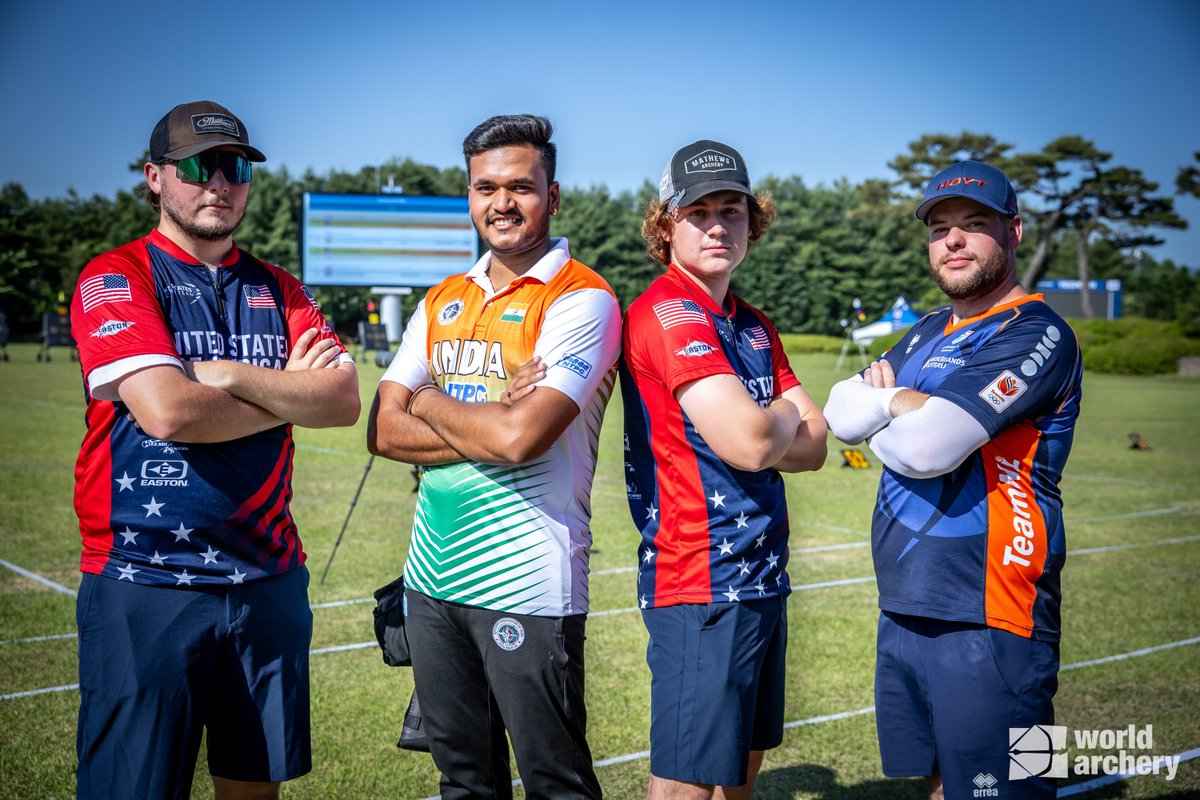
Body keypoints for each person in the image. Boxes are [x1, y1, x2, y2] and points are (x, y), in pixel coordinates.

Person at [69, 100, 360, 800]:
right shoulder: (117, 277)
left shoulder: (278, 287)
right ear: (155, 177)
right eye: (199, 166)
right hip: (146, 579)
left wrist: (225, 376)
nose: (218, 183)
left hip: (266, 580)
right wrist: (287, 392)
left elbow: (342, 402)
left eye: (233, 167)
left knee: (255, 788)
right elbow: (167, 412)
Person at [366, 114, 620, 800]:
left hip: (529, 586)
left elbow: (520, 440)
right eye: (485, 188)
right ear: (470, 194)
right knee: (464, 782)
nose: (501, 203)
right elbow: (379, 432)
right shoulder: (444, 297)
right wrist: (487, 414)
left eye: (520, 187)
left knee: (555, 783)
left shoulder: (584, 300)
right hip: (430, 581)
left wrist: (425, 400)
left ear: (553, 196)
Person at [824, 161, 1083, 800]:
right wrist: (908, 410)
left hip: (996, 608)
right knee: (942, 783)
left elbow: (929, 448)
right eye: (940, 229)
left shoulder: (1037, 330)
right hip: (910, 601)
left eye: (974, 224)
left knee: (1010, 790)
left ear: (1015, 231)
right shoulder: (927, 330)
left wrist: (887, 404)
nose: (954, 241)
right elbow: (837, 412)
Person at [620, 140, 828, 800]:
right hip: (700, 579)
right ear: (665, 225)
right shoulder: (667, 310)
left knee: (742, 762)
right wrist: (776, 420)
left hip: (763, 574)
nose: (716, 225)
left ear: (752, 221)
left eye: (732, 210)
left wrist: (775, 424)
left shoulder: (754, 325)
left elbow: (816, 444)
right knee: (686, 781)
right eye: (697, 211)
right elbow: (752, 443)